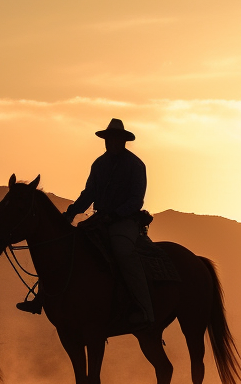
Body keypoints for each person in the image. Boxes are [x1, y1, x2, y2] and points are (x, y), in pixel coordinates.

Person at [19, 118, 154, 328]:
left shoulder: (135, 165)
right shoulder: (99, 164)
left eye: (115, 139)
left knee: (123, 251)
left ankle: (144, 308)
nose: (111, 142)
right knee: (69, 247)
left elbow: (136, 200)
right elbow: (88, 193)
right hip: (101, 219)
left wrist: (116, 214)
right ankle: (41, 298)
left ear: (123, 140)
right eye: (109, 139)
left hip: (125, 221)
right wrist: (71, 213)